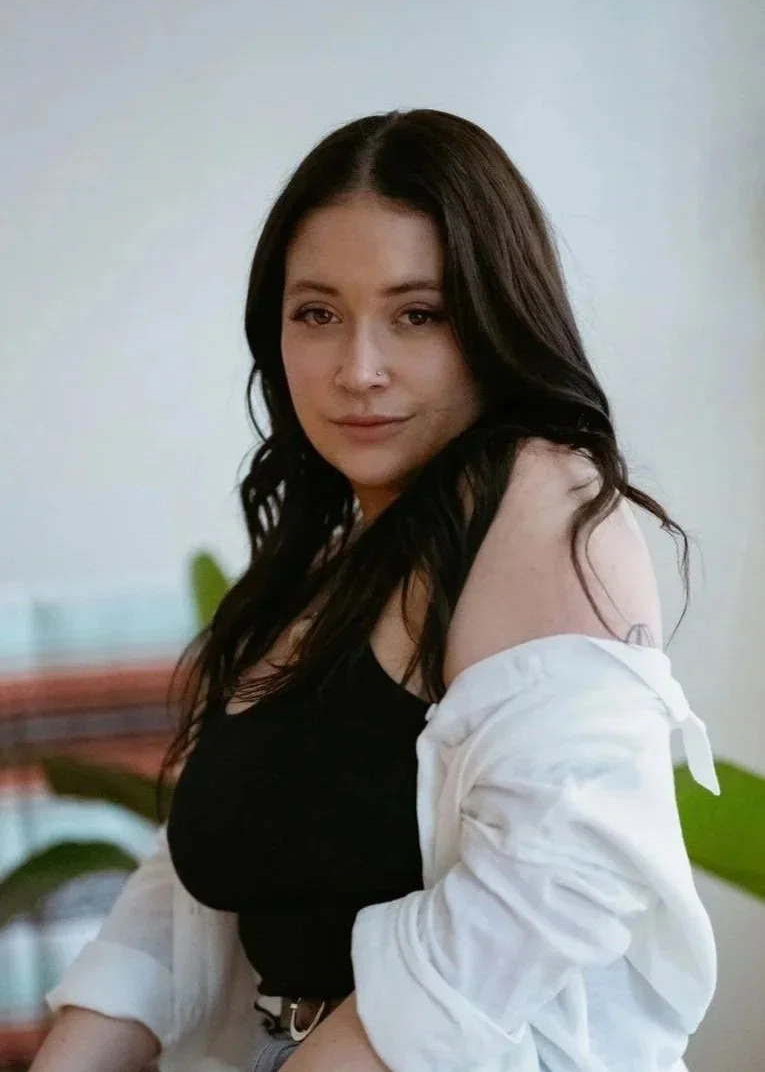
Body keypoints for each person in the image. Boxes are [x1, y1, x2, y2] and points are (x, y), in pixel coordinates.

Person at [32, 109, 719, 1072]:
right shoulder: (330, 561)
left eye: (417, 314)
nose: (358, 370)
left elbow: (558, 881)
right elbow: (208, 868)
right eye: (317, 313)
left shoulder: (539, 496)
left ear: (492, 317)